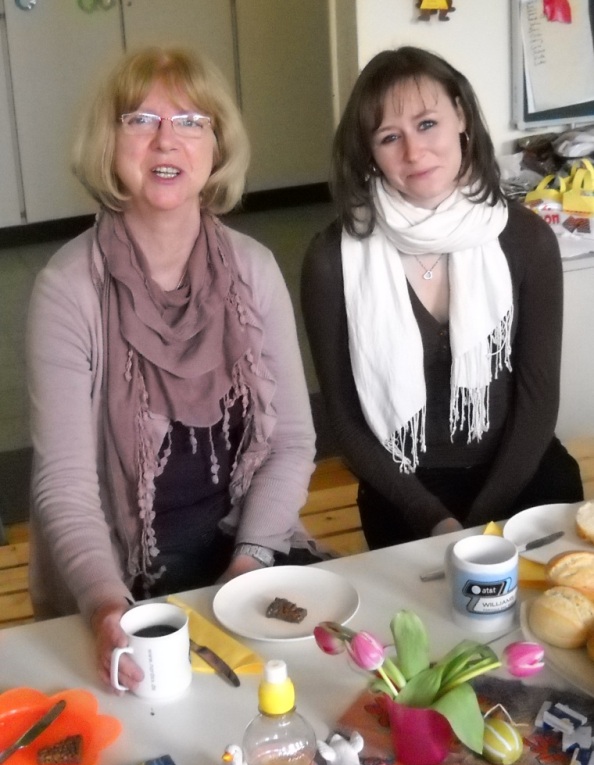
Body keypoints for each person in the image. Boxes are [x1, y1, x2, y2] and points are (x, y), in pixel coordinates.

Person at [27, 46, 320, 690]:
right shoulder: (68, 288)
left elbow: (293, 442)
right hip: (119, 585)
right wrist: (107, 608)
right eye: (140, 119)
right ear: (109, 143)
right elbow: (65, 486)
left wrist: (248, 567)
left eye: (191, 121)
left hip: (247, 553)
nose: (167, 139)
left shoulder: (253, 269)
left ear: (217, 145)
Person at [301, 46, 583, 551]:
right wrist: (433, 519)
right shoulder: (330, 259)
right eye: (389, 137)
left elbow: (538, 401)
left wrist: (480, 523)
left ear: (461, 118)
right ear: (369, 152)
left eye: (427, 124)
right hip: (405, 492)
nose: (414, 152)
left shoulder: (527, 240)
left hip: (521, 476)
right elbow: (344, 419)